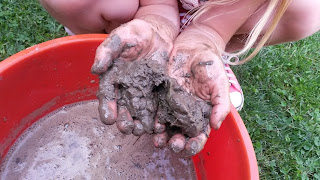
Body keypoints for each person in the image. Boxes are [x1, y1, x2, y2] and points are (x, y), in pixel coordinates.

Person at [39, 0, 320, 155]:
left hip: (219, 7)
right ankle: (119, 33)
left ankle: (202, 53)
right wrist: (156, 17)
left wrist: (207, 36)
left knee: (308, 11)